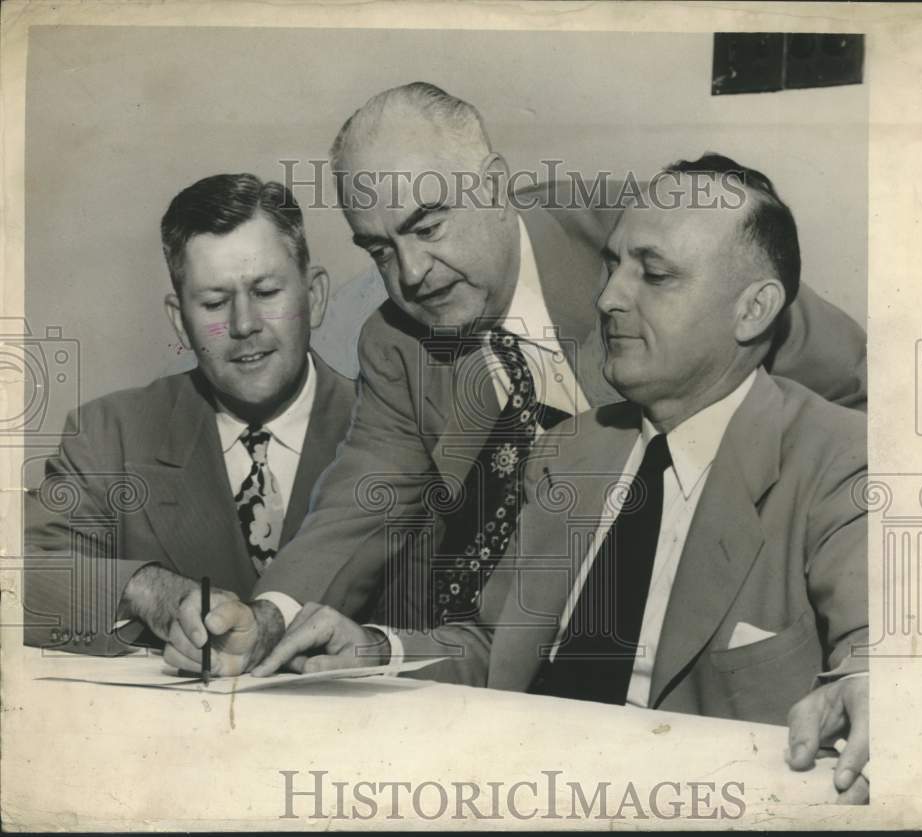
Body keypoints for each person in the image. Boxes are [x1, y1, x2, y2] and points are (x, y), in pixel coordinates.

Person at [164, 83, 867, 674]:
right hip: (519, 641)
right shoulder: (397, 342)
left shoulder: (639, 240)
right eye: (380, 249)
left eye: (429, 227)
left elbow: (848, 382)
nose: (410, 274)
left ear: (496, 186)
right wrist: (267, 615)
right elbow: (360, 505)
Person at [251, 161, 871, 803]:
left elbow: (876, 642)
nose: (607, 299)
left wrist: (879, 682)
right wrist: (375, 651)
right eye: (613, 267)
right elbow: (494, 649)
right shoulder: (568, 449)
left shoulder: (838, 459)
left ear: (755, 310)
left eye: (654, 276)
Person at [23, 173, 357, 655]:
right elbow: (23, 575)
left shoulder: (397, 431)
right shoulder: (109, 435)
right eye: (215, 303)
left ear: (316, 297)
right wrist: (150, 590)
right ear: (180, 321)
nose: (245, 325)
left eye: (266, 293)